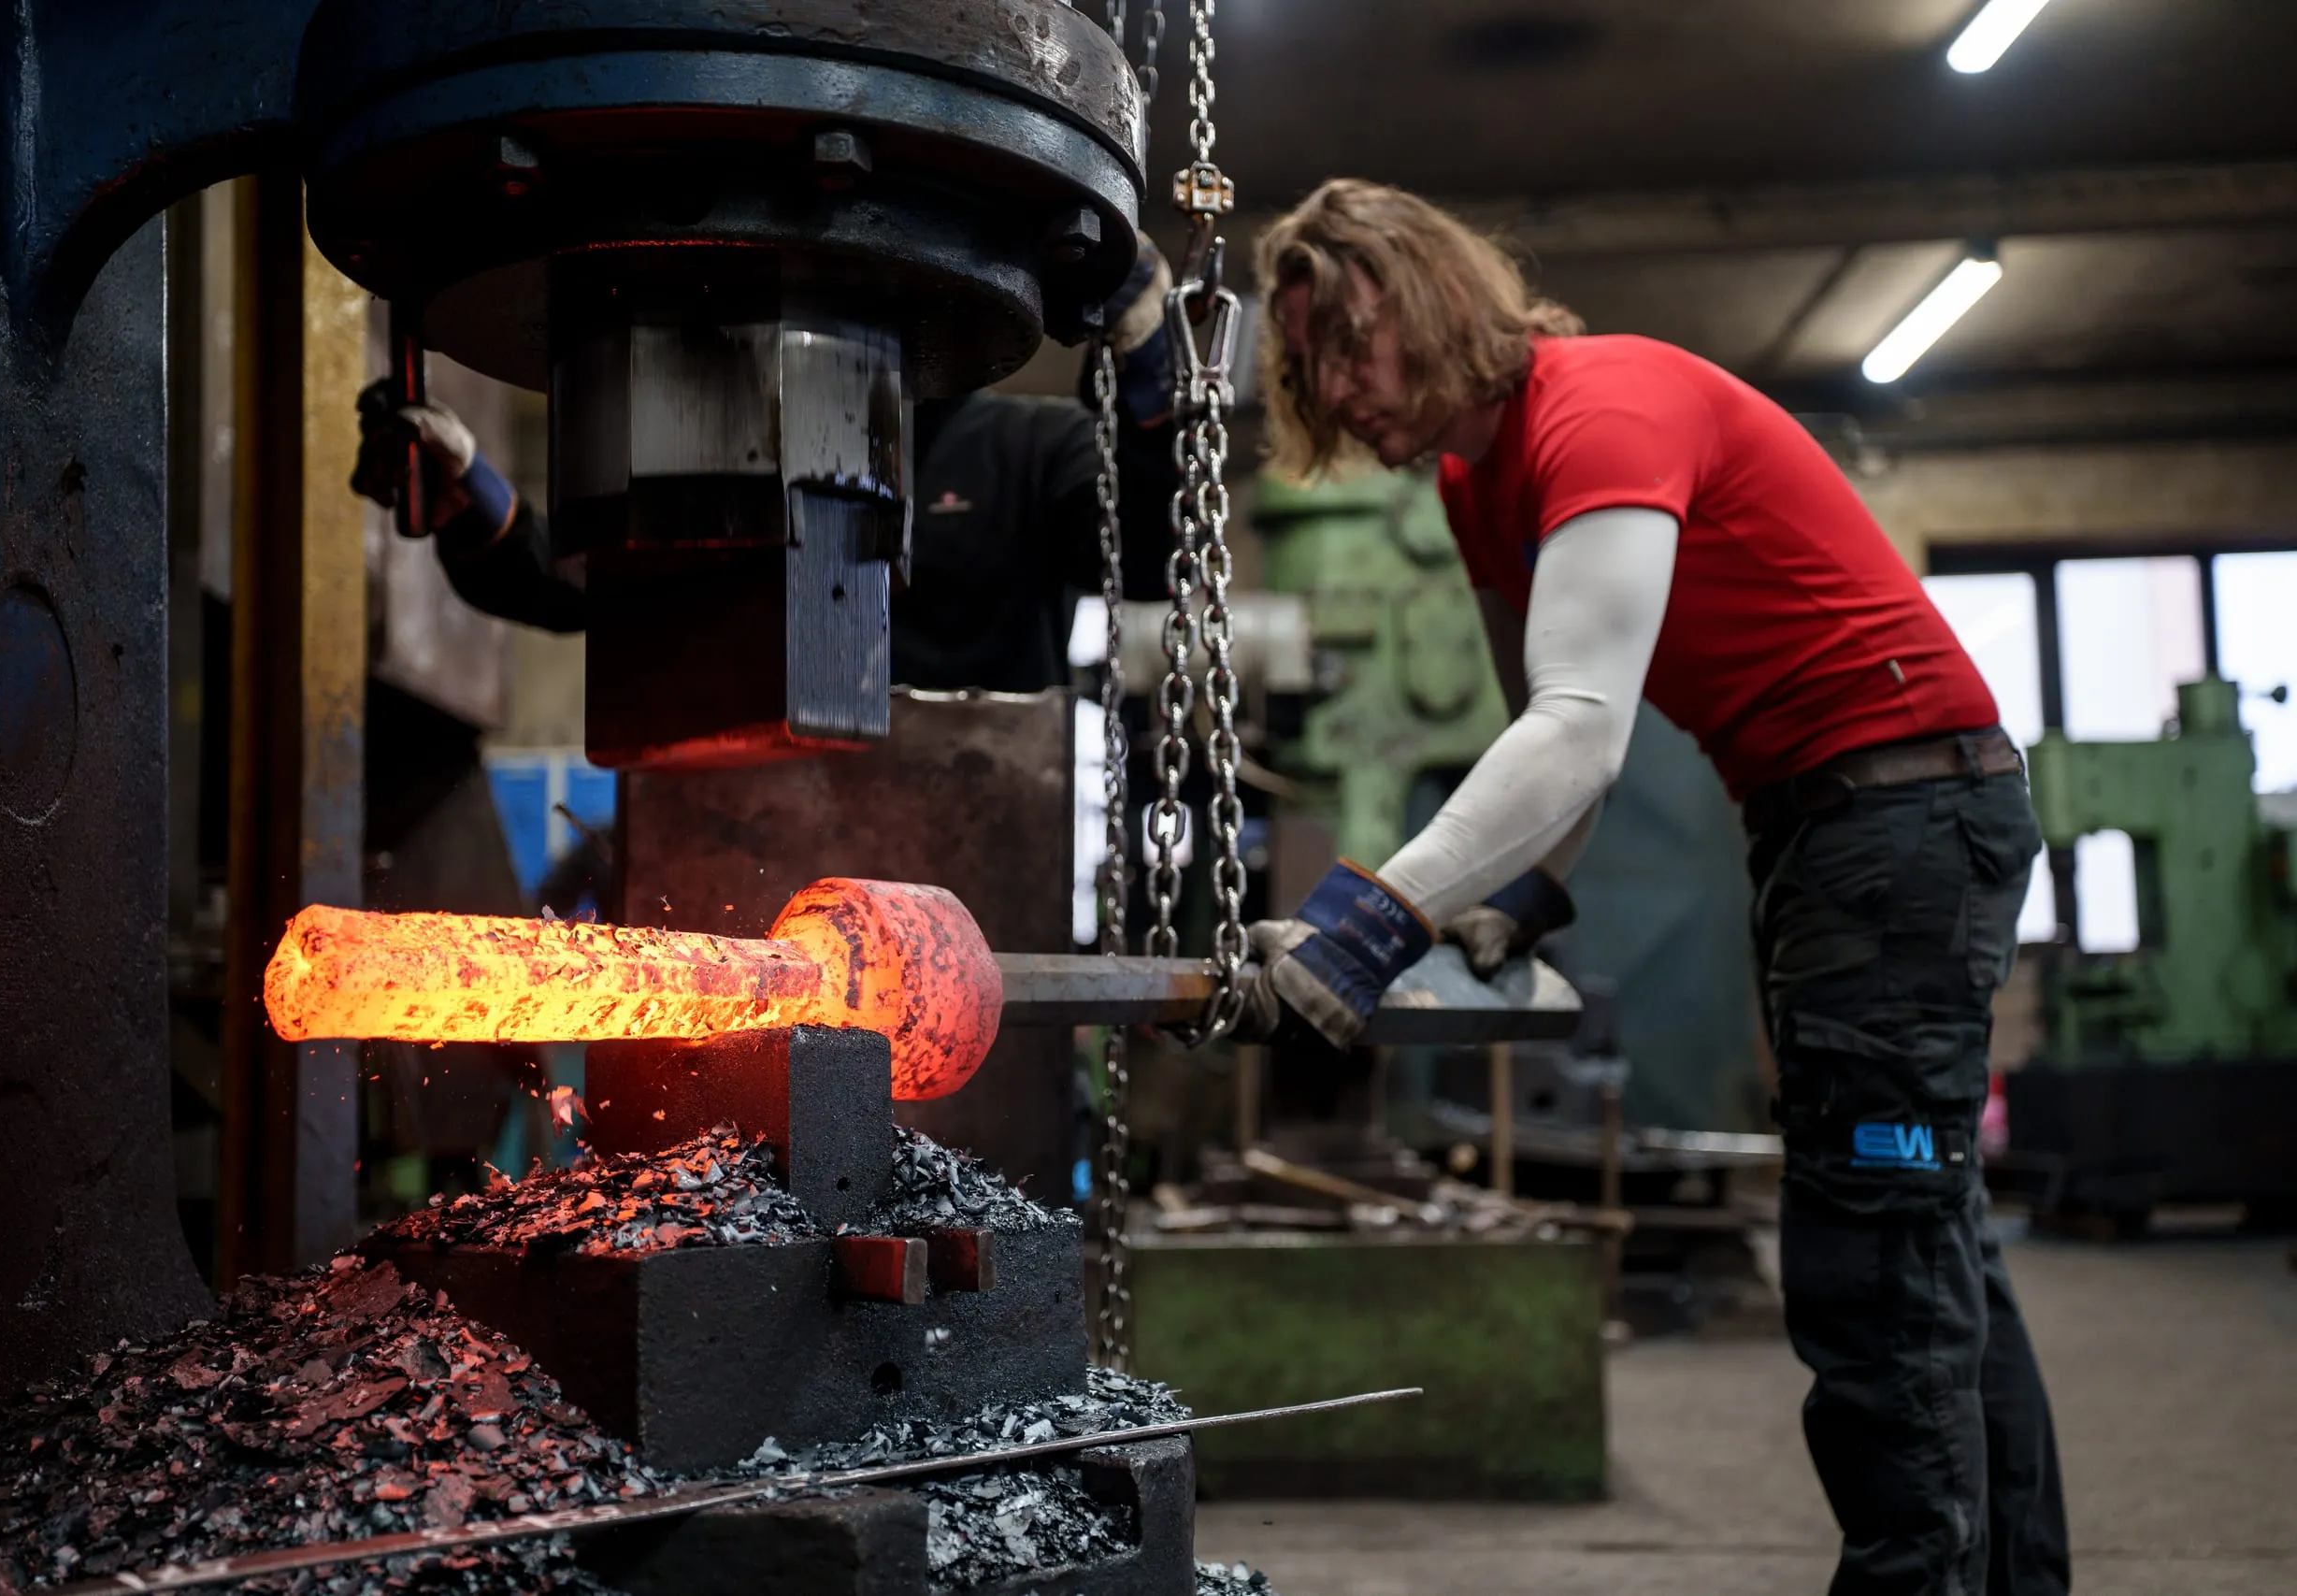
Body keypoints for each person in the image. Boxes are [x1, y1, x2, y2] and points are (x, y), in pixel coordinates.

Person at [1242, 179, 2069, 1596]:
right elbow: (1549, 738)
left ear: (1434, 301)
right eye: (1307, 363)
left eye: (1350, 343)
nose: (1335, 386)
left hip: (1905, 819)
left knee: (1872, 1267)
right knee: (1929, 1242)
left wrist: (1373, 919)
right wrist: (1522, 895)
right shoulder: (1471, 479)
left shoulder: (1599, 410)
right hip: (1843, 826)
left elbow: (1577, 726)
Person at [350, 240, 1182, 693]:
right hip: (761, 866)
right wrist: (471, 496)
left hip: (968, 869)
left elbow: (1149, 560)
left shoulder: (1037, 451)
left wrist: (1151, 376)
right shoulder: (751, 445)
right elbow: (579, 589)